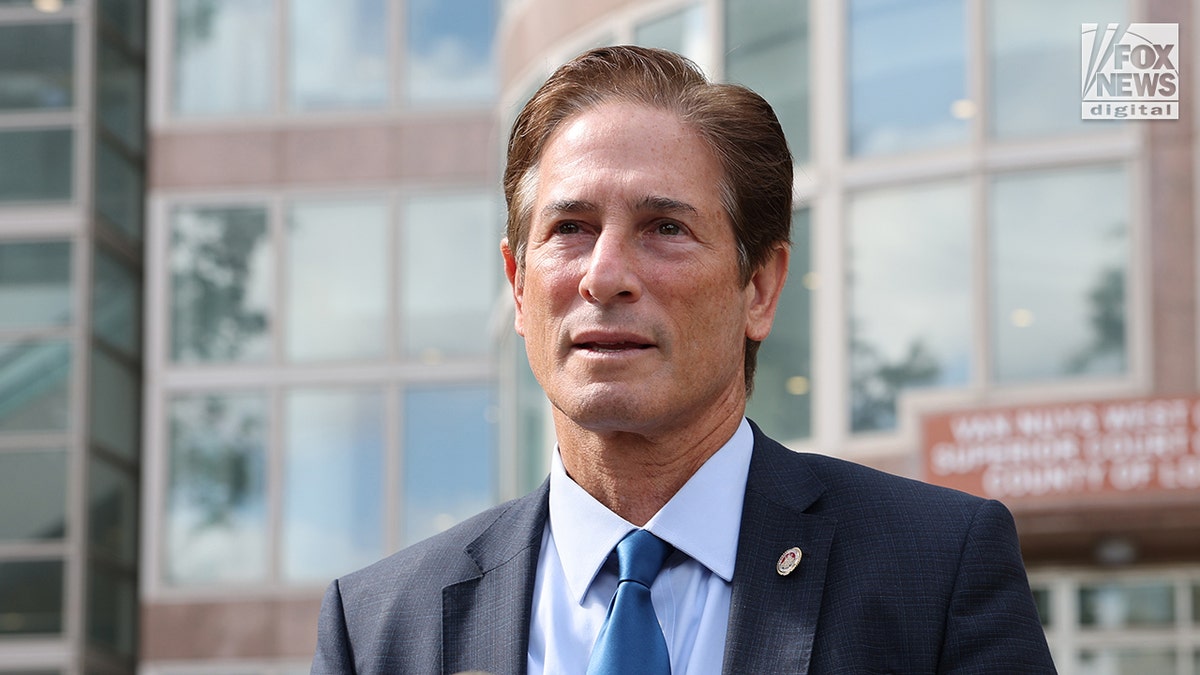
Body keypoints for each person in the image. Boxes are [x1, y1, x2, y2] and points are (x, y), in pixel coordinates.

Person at [311, 45, 1056, 675]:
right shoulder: (380, 629)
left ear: (759, 286)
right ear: (517, 284)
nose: (604, 275)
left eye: (664, 226)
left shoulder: (935, 569)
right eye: (570, 227)